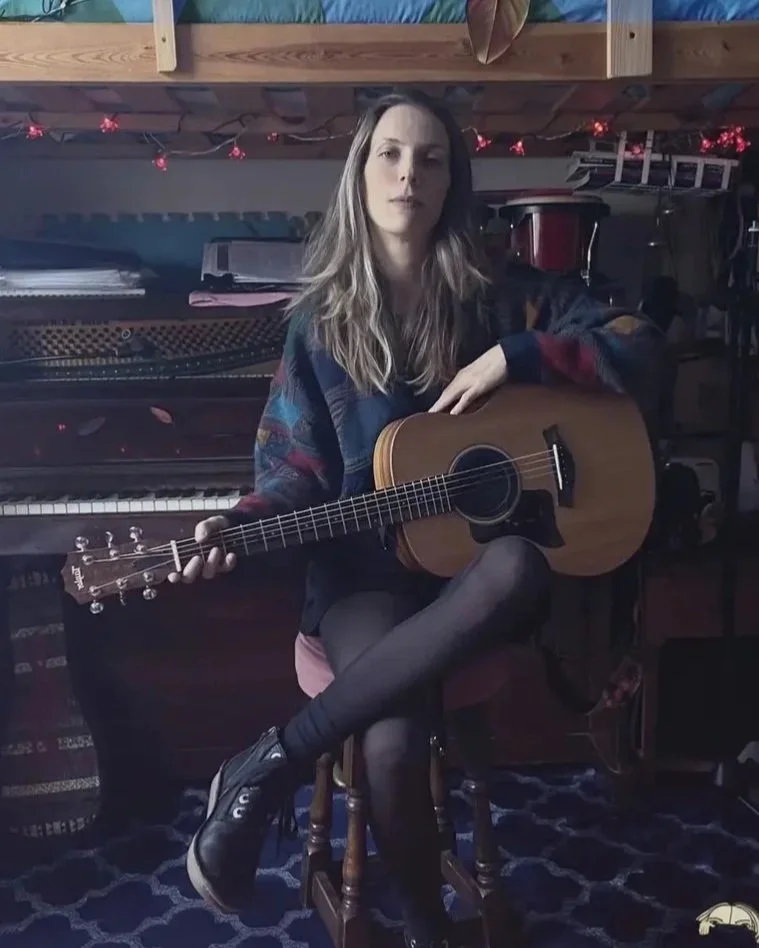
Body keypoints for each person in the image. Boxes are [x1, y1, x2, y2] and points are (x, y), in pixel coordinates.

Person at [172, 90, 664, 948]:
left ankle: (272, 761)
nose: (409, 174)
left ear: (452, 181)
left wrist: (516, 356)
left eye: (431, 158)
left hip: (479, 587)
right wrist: (235, 527)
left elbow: (641, 341)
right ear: (359, 174)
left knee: (515, 562)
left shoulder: (504, 298)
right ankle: (432, 934)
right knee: (391, 748)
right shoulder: (317, 326)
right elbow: (293, 474)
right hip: (365, 580)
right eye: (390, 154)